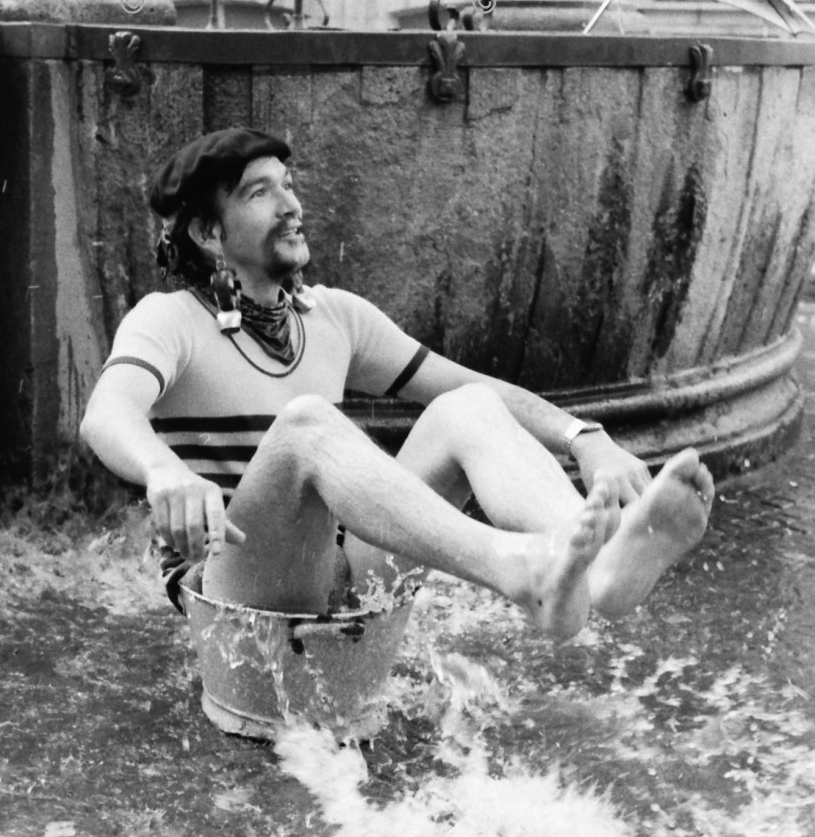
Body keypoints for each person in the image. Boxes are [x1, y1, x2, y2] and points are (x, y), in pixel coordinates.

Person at [80, 128, 713, 642]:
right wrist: (164, 471)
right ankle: (517, 566)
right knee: (306, 426)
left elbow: (473, 386)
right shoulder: (167, 320)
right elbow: (105, 415)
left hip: (335, 569)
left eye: (290, 188)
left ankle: (596, 571)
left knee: (465, 406)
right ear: (209, 234)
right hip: (229, 588)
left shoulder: (334, 316)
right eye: (259, 193)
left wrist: (585, 435)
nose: (292, 206)